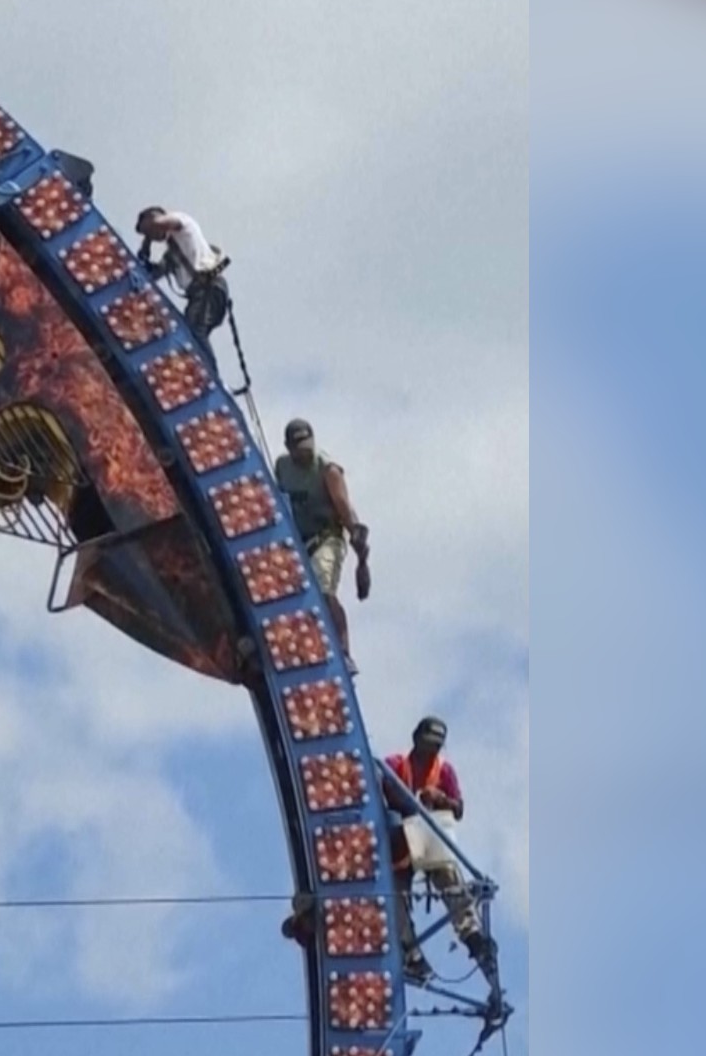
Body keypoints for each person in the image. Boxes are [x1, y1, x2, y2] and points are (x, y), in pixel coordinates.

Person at [384, 716, 500, 998]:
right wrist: (406, 801)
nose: (432, 752)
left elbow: (458, 809)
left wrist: (440, 799)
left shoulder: (443, 771)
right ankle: (411, 955)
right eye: (428, 745)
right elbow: (380, 791)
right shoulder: (396, 765)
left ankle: (472, 936)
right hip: (401, 842)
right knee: (394, 897)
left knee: (448, 875)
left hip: (430, 839)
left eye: (436, 746)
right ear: (416, 740)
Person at [271, 418, 370, 674]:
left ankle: (344, 652)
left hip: (328, 537)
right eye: (298, 449)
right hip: (298, 540)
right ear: (288, 447)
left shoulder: (327, 468)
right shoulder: (282, 466)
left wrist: (356, 538)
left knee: (323, 591)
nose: (304, 453)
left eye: (307, 446)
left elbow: (343, 506)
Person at [135, 206, 231, 358]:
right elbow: (152, 275)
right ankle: (203, 364)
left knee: (194, 330)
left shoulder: (183, 224)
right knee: (192, 332)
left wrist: (150, 227)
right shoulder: (171, 256)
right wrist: (145, 247)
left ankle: (211, 373)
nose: (153, 236)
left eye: (150, 232)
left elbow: (162, 222)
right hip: (199, 294)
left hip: (209, 286)